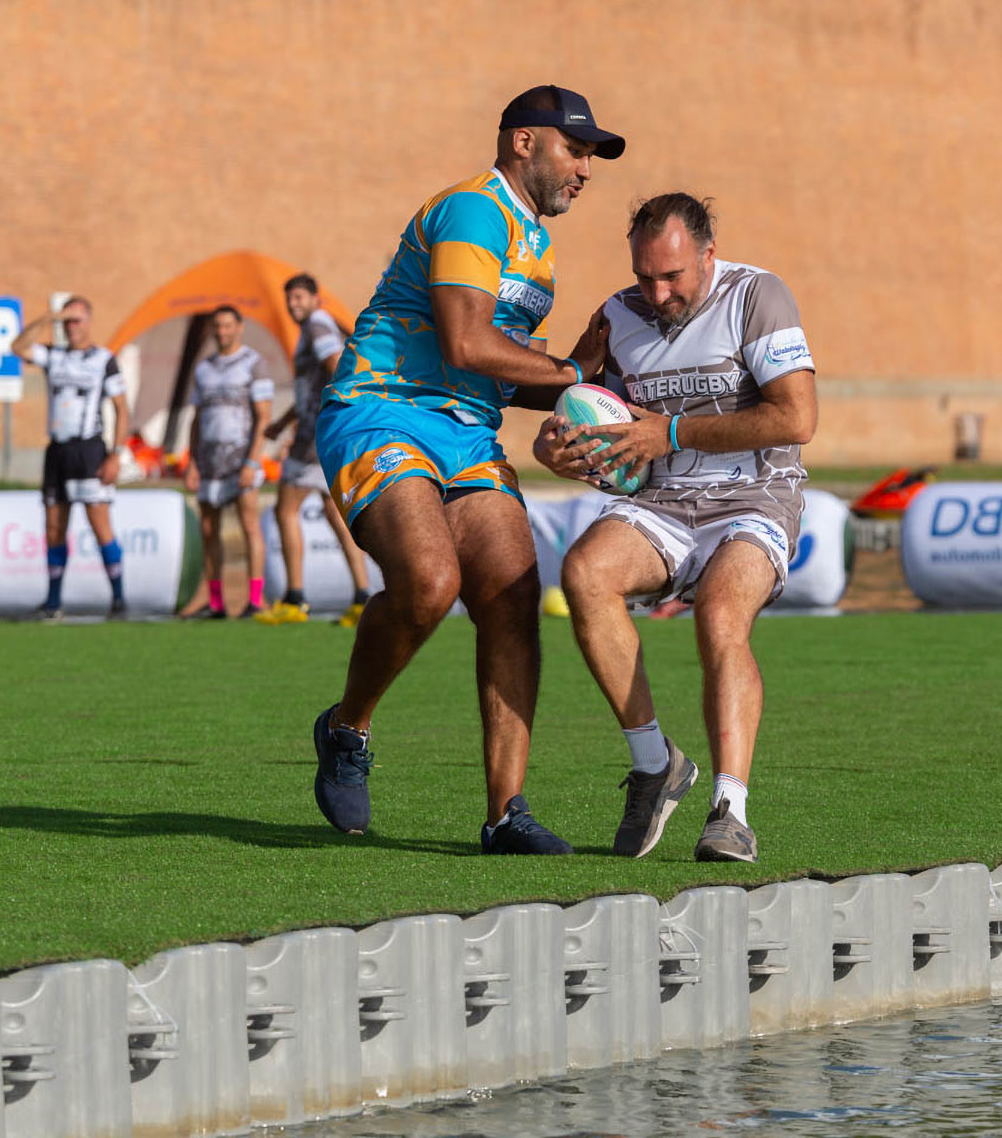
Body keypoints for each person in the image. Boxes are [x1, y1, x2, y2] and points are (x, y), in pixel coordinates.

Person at [310, 84, 623, 854]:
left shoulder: (536, 246)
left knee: (512, 597)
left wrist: (588, 382)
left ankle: (505, 815)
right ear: (524, 142)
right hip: (382, 410)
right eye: (576, 149)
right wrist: (572, 373)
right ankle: (347, 728)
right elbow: (465, 343)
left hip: (468, 432)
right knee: (429, 582)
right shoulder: (474, 211)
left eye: (592, 156)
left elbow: (500, 376)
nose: (586, 169)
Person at [535, 193, 817, 863]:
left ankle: (730, 812)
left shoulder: (757, 297)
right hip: (661, 501)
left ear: (708, 255)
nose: (657, 294)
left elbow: (796, 418)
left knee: (720, 613)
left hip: (754, 495)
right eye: (644, 277)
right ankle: (654, 764)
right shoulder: (616, 315)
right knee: (585, 573)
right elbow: (581, 408)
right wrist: (555, 446)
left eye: (672, 276)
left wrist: (672, 432)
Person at [258, 273, 372, 626]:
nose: (293, 304)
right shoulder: (315, 326)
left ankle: (295, 598)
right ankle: (363, 598)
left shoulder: (317, 325)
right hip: (322, 434)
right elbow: (315, 387)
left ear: (315, 299)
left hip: (313, 440)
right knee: (335, 516)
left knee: (285, 510)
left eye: (299, 297)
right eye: (289, 298)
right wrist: (283, 422)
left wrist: (333, 415)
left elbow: (336, 367)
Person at [7, 297, 131, 618]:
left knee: (99, 523)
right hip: (58, 450)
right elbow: (18, 347)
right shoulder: (54, 355)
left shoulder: (104, 360)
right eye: (67, 321)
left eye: (77, 320)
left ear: (89, 321)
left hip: (89, 451)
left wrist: (116, 454)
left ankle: (119, 598)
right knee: (53, 526)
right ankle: (53, 602)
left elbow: (121, 408)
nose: (72, 327)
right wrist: (49, 316)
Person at [182, 305, 273, 619]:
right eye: (217, 326)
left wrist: (252, 461)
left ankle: (255, 599)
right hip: (209, 460)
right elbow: (196, 418)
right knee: (209, 530)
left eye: (227, 326)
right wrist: (192, 461)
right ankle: (216, 602)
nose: (222, 332)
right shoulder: (203, 368)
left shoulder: (254, 364)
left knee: (249, 526)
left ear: (239, 327)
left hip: (241, 458)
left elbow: (264, 417)